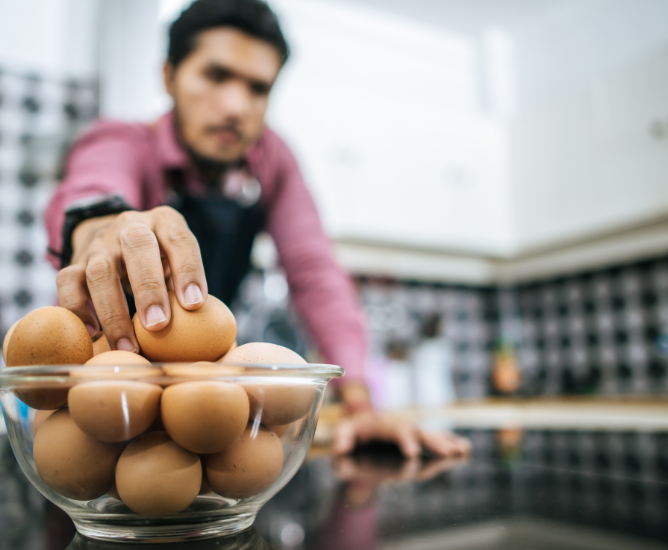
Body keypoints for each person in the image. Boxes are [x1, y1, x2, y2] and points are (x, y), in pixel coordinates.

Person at [45, 0, 470, 458]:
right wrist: (99, 229)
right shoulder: (124, 140)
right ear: (168, 76)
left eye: (257, 88)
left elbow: (315, 272)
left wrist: (360, 402)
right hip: (106, 398)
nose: (234, 106)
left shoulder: (273, 161)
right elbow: (90, 193)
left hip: (200, 404)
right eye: (215, 76)